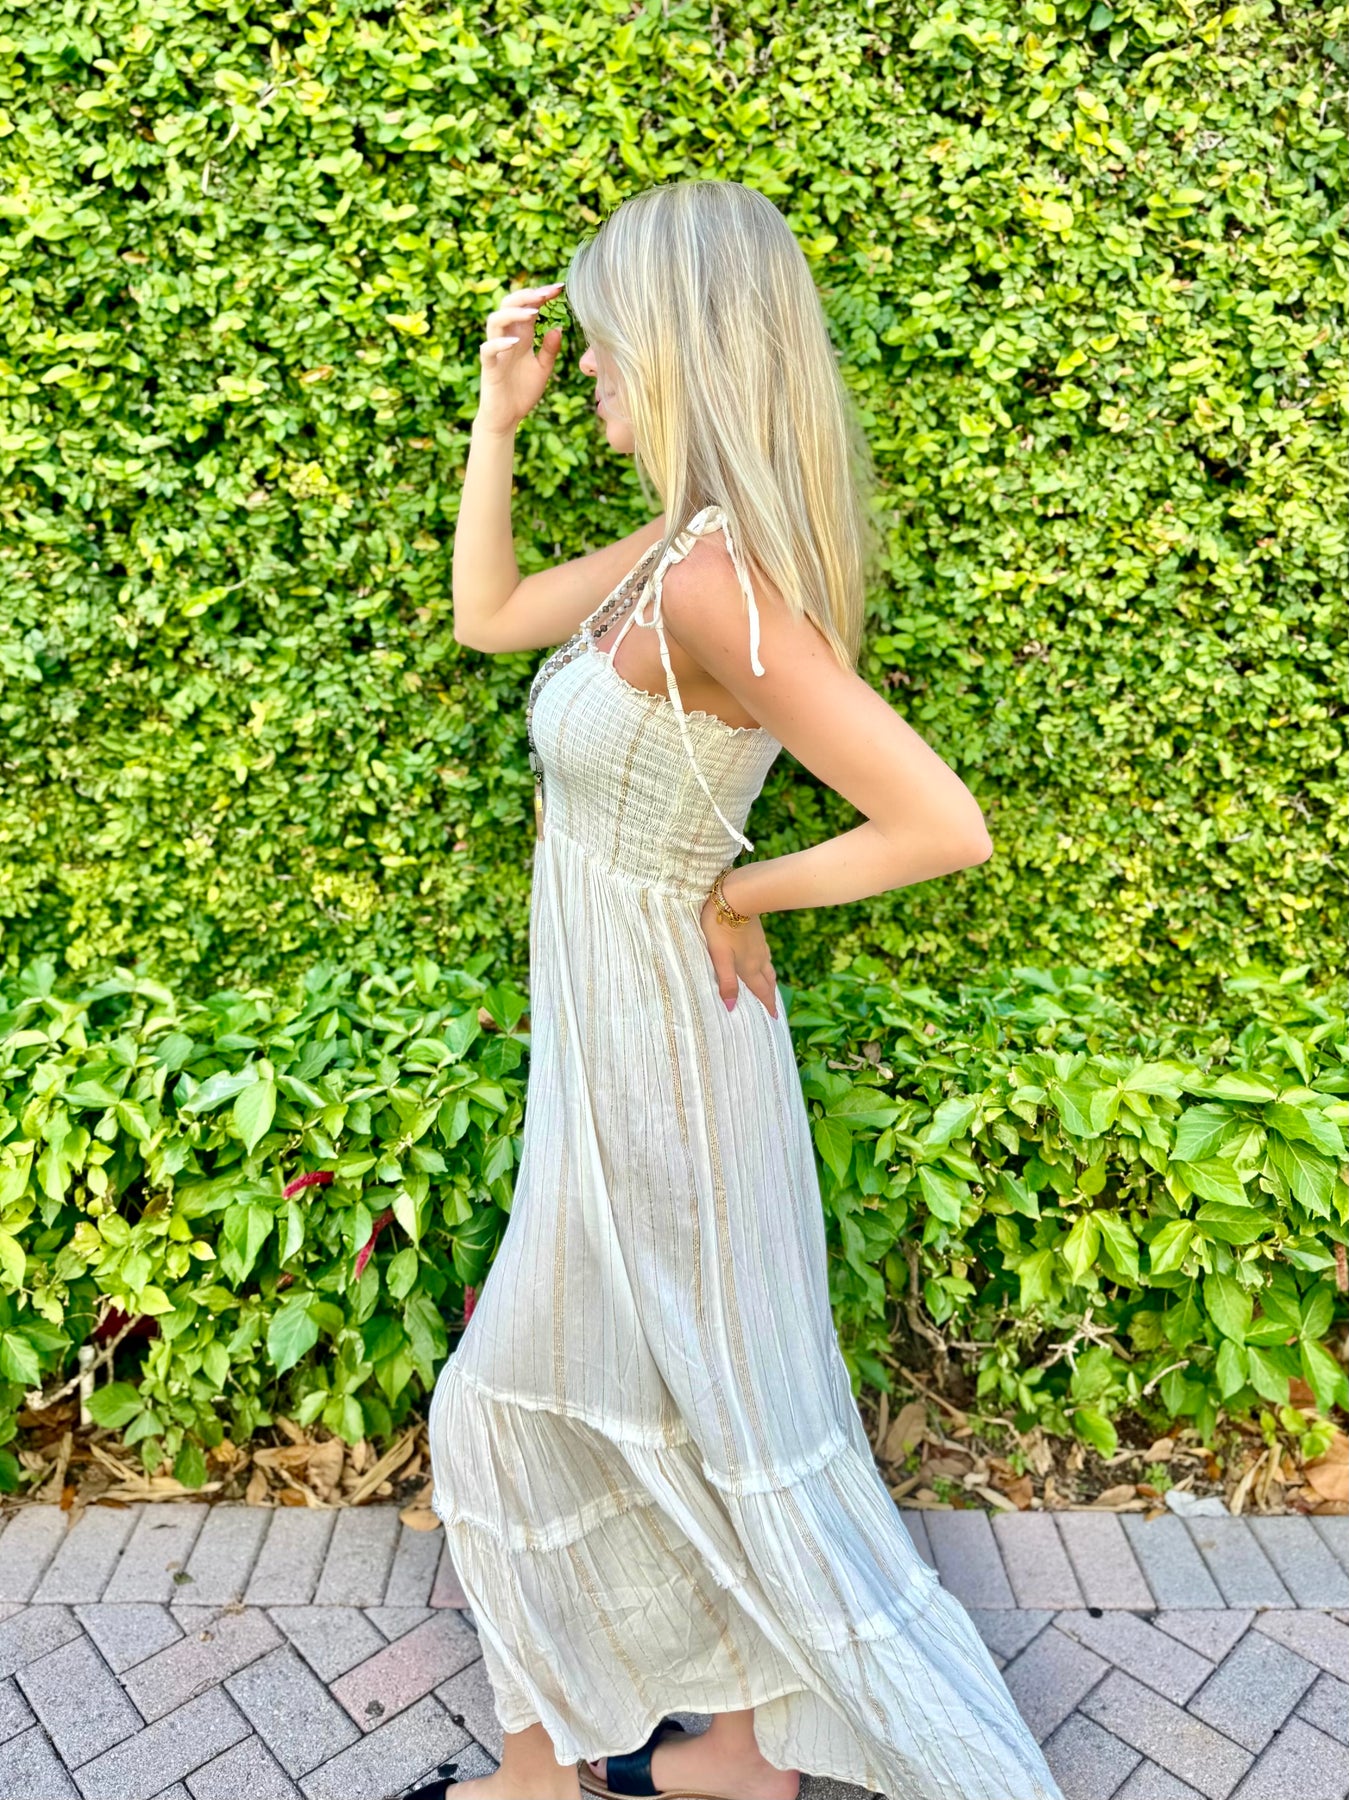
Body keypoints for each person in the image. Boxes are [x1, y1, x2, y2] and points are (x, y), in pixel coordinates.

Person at [410, 180, 1063, 1800]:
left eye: (609, 347)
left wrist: (738, 889)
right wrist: (497, 417)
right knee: (632, 1403)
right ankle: (728, 1762)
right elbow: (487, 619)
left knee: (528, 1404)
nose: (593, 375)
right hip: (614, 1059)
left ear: (683, 347)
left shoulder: (715, 582)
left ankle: (561, 1780)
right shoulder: (674, 551)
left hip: (669, 1071)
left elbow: (939, 823)